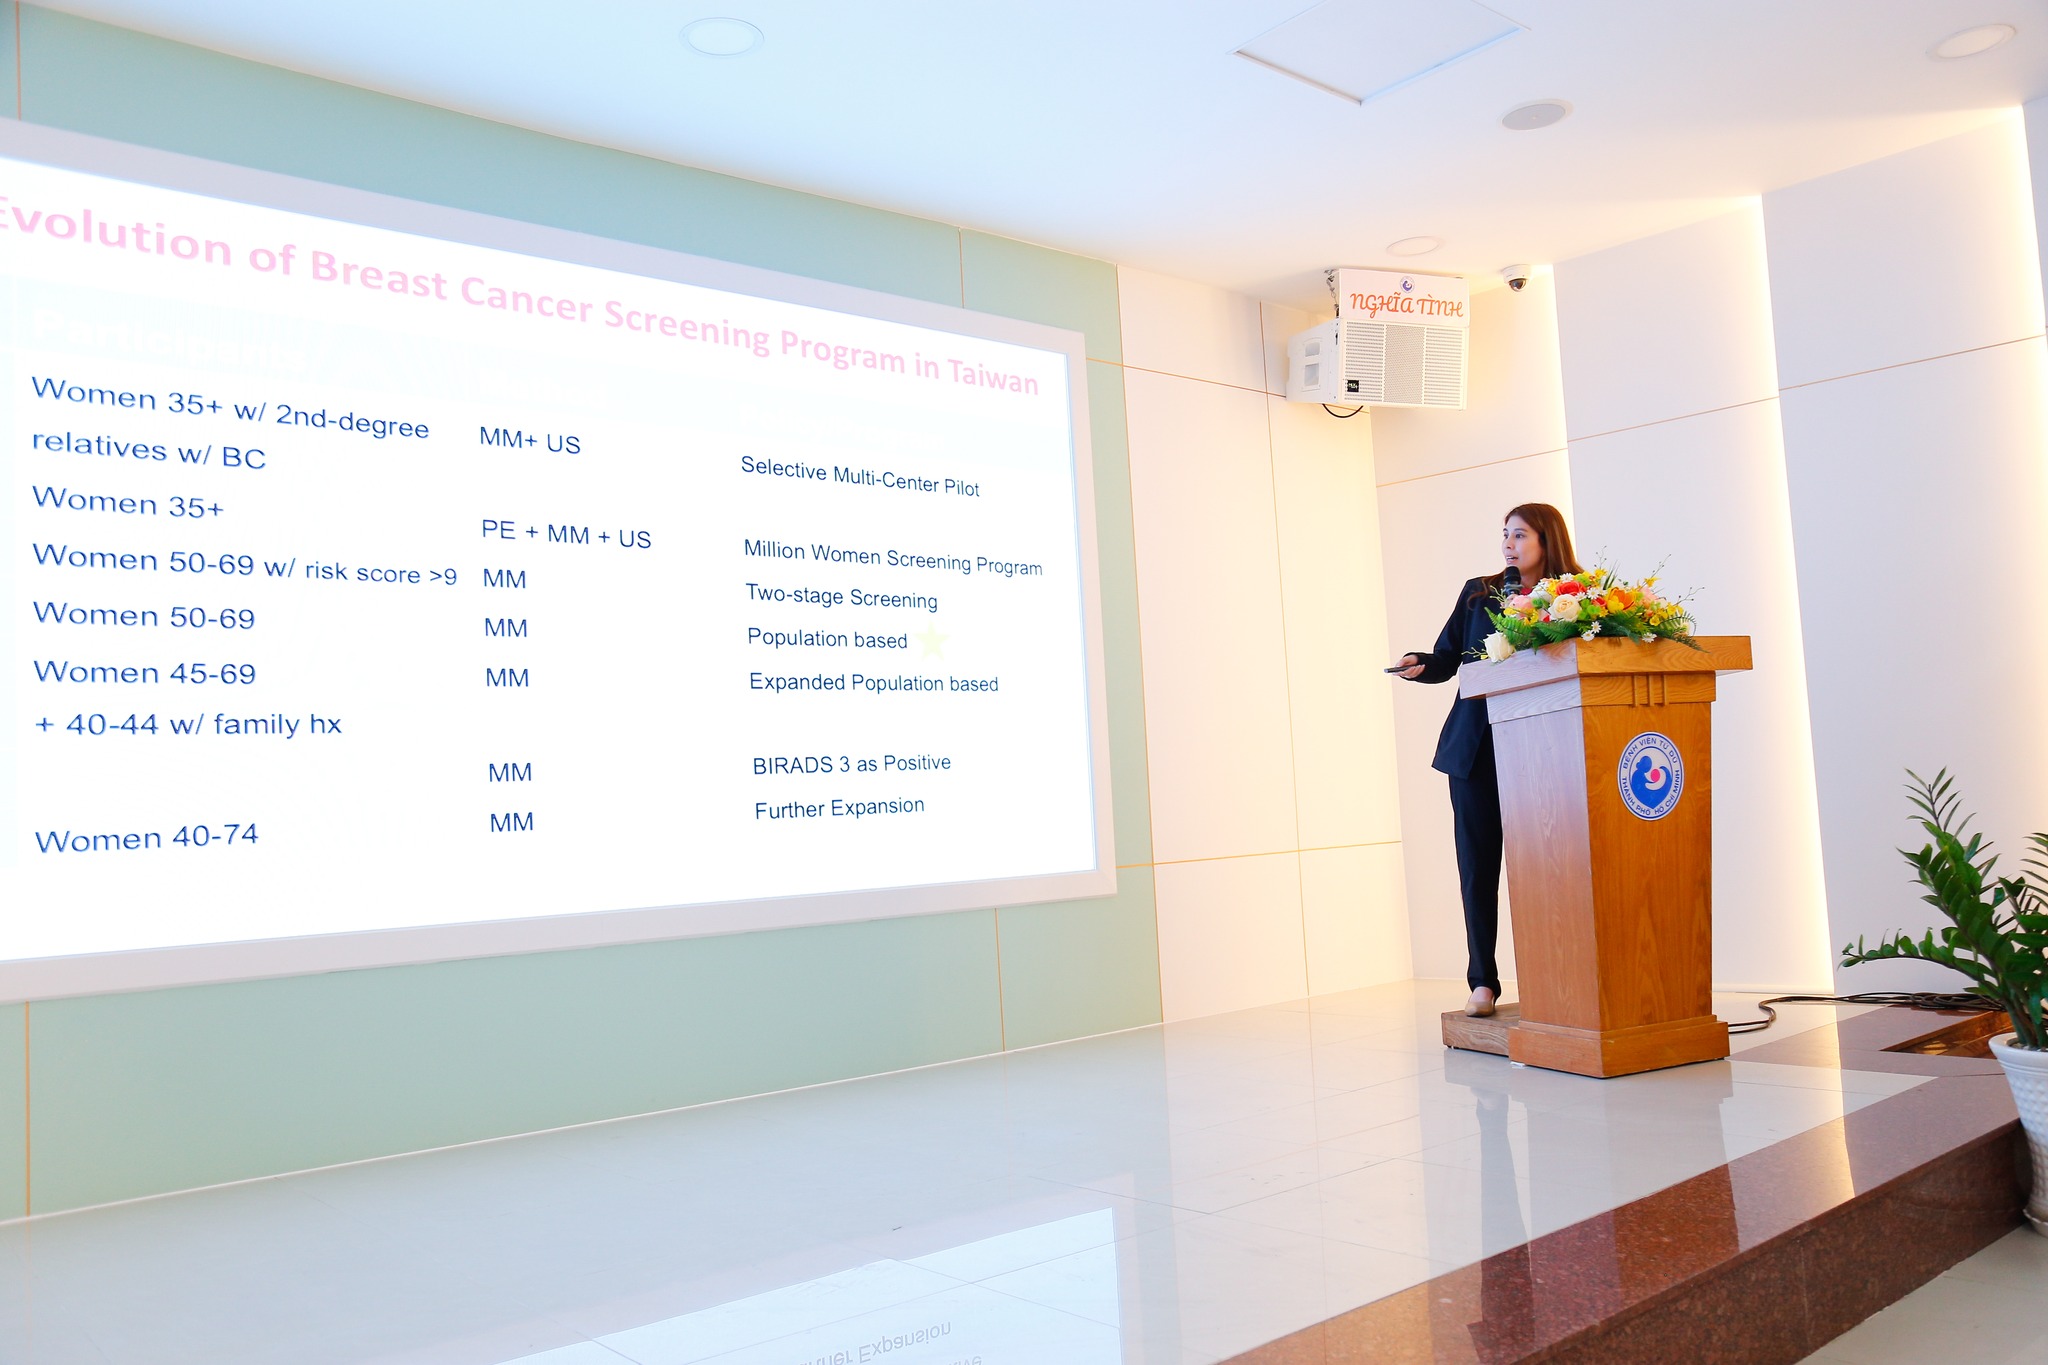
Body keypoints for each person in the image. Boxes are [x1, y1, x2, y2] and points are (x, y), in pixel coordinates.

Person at [1391, 503, 1583, 1019]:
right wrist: (1422, 663)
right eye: (1505, 535)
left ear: (1546, 539)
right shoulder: (1481, 593)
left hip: (1546, 750)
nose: (1508, 544)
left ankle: (1559, 975)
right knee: (1477, 867)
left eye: (1519, 535)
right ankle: (1482, 981)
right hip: (1476, 747)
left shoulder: (1577, 599)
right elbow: (1449, 656)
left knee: (1550, 865)